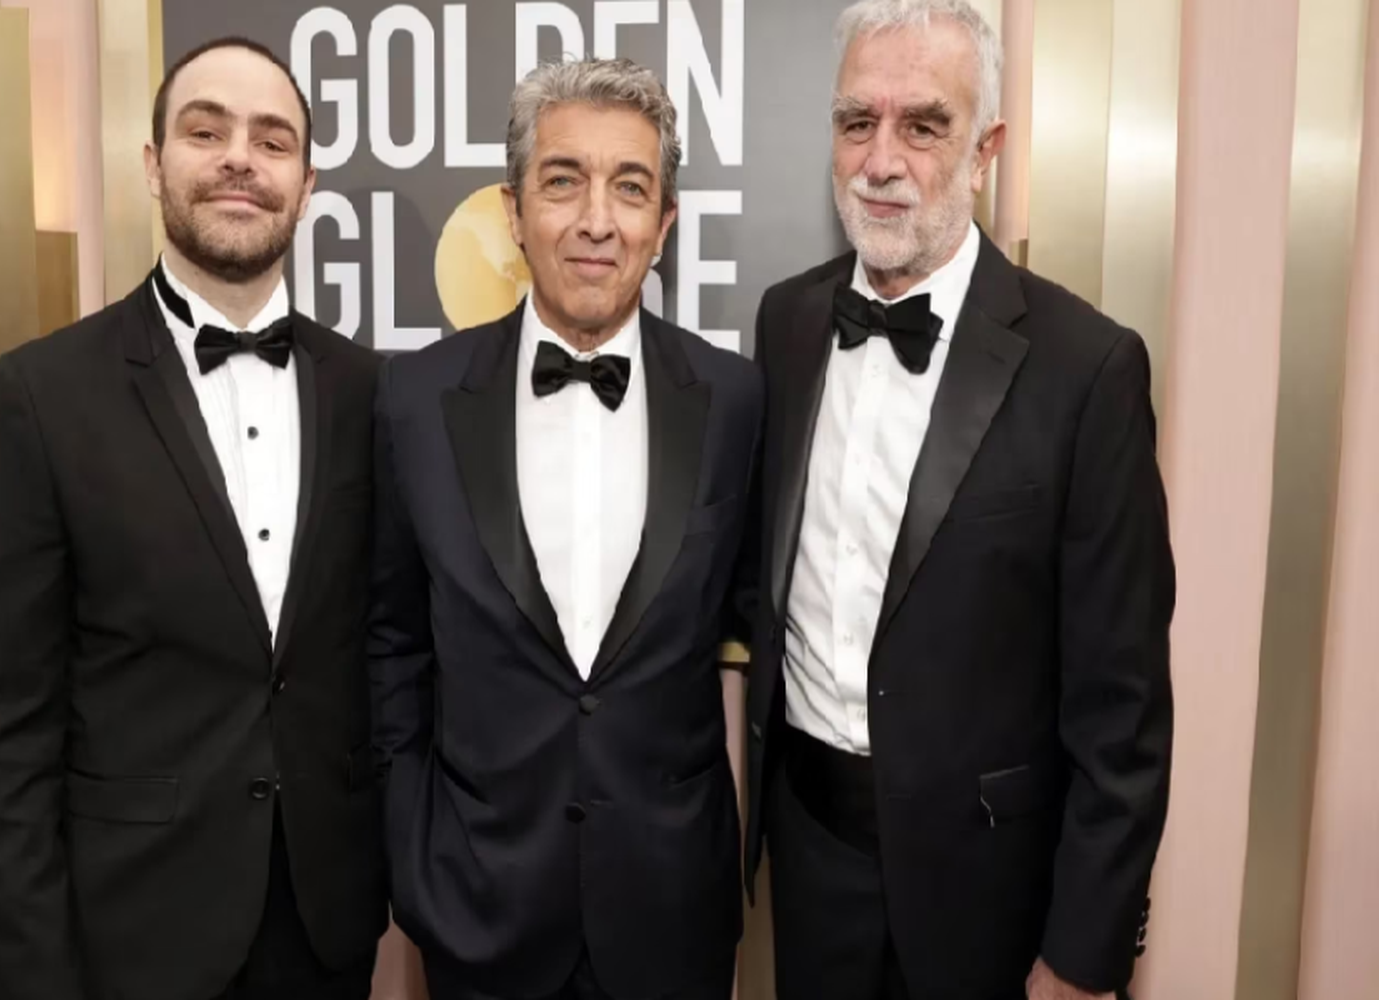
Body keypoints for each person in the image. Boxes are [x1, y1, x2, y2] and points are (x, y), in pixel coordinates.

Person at [735, 2, 1176, 998]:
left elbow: (1124, 712)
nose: (881, 160)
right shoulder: (790, 320)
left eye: (923, 124)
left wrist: (1083, 955)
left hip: (990, 897)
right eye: (858, 122)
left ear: (986, 149)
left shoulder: (1088, 368)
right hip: (808, 863)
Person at [0, 37, 384, 1000]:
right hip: (131, 937)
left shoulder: (371, 392)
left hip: (325, 928)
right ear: (153, 166)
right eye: (206, 130)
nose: (241, 157)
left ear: (306, 181)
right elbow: (3, 729)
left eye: (273, 140)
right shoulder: (43, 393)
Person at [369, 57, 761, 1000]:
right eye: (562, 182)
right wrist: (418, 858)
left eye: (631, 188)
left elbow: (762, 627)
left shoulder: (736, 398)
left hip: (674, 914)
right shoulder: (415, 398)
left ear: (663, 225)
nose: (597, 220)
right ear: (512, 212)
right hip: (476, 911)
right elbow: (390, 643)